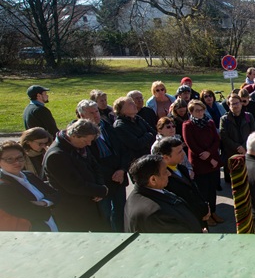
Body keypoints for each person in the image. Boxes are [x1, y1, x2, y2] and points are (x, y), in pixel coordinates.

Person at [43, 119, 109, 232]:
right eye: (85, 141)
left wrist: (99, 185)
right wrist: (101, 190)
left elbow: (95, 166)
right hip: (74, 212)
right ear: (74, 136)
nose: (89, 144)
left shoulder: (79, 146)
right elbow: (73, 185)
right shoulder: (57, 155)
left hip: (90, 205)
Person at [78, 99, 130, 232]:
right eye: (91, 113)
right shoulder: (80, 134)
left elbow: (123, 149)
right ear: (82, 115)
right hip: (102, 182)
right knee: (105, 216)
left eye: (97, 111)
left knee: (121, 212)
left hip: (118, 177)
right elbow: (88, 162)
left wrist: (122, 169)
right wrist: (110, 175)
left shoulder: (107, 126)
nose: (96, 115)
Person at [124, 155, 203, 233]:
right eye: (165, 171)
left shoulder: (147, 192)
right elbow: (178, 241)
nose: (169, 174)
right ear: (153, 179)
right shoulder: (155, 214)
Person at [0, 141, 59, 232]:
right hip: (29, 233)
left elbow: (55, 193)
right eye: (10, 159)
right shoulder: (2, 186)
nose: (17, 162)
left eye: (20, 158)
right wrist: (50, 209)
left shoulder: (29, 175)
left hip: (50, 225)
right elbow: (25, 211)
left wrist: (44, 203)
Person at [152, 137, 209, 229]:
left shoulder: (182, 168)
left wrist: (205, 207)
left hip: (200, 218)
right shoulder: (163, 179)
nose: (183, 154)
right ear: (166, 157)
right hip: (188, 223)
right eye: (179, 152)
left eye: (182, 150)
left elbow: (194, 190)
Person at [183, 100, 223, 226]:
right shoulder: (188, 125)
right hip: (199, 162)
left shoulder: (210, 122)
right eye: (197, 110)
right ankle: (206, 215)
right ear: (191, 112)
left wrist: (210, 154)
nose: (200, 113)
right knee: (203, 191)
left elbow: (216, 140)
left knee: (212, 190)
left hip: (213, 161)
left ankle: (214, 211)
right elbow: (191, 144)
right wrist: (207, 157)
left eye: (202, 110)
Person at [219, 94, 255, 167]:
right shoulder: (224, 119)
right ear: (229, 106)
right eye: (232, 104)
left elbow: (254, 133)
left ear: (241, 103)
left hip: (247, 151)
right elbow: (224, 137)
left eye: (237, 103)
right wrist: (237, 147)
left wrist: (244, 146)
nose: (235, 106)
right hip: (231, 154)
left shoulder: (248, 116)